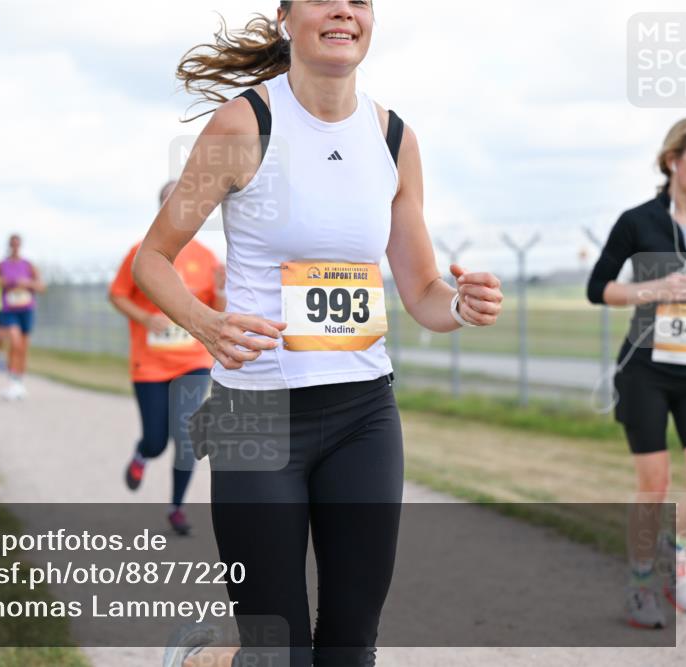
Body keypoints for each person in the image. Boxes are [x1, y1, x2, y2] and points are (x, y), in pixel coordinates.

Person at [135, 3, 504, 666]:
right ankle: (198, 658)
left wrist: (463, 306)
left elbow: (422, 291)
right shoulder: (246, 124)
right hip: (258, 412)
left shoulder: (393, 138)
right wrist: (207, 322)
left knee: (349, 646)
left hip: (363, 414)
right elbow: (152, 259)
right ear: (286, 17)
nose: (343, 9)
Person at [587, 117, 686, 628]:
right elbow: (599, 287)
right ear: (674, 160)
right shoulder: (640, 220)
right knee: (656, 482)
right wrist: (654, 290)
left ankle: (675, 566)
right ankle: (639, 588)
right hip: (647, 369)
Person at [110, 180, 225, 535]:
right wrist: (145, 318)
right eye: (170, 202)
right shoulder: (140, 253)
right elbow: (116, 296)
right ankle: (143, 453)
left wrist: (221, 292)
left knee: (188, 439)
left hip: (192, 363)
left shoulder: (208, 259)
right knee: (157, 439)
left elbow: (216, 312)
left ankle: (176, 507)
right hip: (150, 364)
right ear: (161, 209)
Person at [0, 234, 45, 400]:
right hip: (9, 309)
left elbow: (41, 287)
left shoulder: (28, 265)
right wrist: (0, 282)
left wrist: (28, 283)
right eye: (12, 244)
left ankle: (19, 381)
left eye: (17, 244)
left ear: (20, 245)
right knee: (14, 342)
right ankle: (12, 380)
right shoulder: (1, 265)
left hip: (26, 308)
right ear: (9, 245)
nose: (15, 247)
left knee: (23, 347)